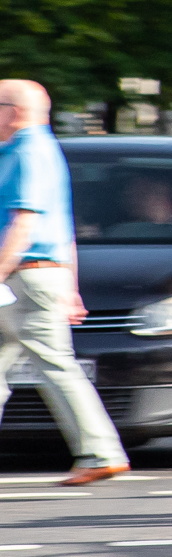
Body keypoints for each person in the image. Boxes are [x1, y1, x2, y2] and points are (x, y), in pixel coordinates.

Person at [0, 80, 131, 485]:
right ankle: (100, 451)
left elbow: (25, 221)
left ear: (14, 112)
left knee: (57, 365)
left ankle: (100, 451)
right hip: (38, 274)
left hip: (26, 276)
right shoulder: (39, 150)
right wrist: (70, 285)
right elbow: (65, 226)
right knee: (53, 364)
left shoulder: (27, 151)